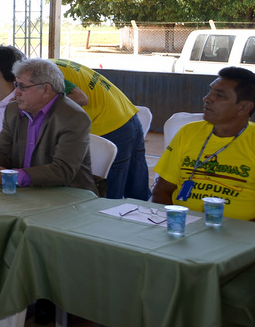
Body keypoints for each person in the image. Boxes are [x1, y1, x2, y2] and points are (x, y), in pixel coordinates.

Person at [0, 58, 98, 194]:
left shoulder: (73, 117)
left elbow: (62, 171)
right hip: (25, 191)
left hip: (69, 195)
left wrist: (12, 177)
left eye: (22, 86)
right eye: (16, 85)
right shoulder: (13, 110)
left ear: (45, 90)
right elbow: (1, 151)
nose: (16, 92)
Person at [153, 67, 255, 221]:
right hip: (181, 226)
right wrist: (174, 223)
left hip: (238, 232)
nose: (207, 98)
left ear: (244, 107)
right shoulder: (187, 132)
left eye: (219, 95)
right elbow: (161, 191)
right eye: (210, 91)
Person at [53, 59, 150, 200]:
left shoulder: (40, 73)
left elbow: (80, 98)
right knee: (137, 191)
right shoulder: (52, 64)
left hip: (110, 127)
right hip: (128, 115)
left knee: (109, 197)